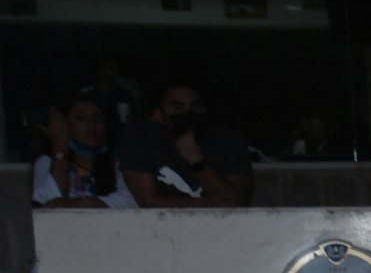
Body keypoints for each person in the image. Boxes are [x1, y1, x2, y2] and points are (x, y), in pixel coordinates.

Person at [117, 83, 253, 208]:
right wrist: (207, 203)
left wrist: (197, 161)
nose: (188, 113)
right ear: (159, 115)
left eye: (195, 107)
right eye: (177, 108)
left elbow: (233, 202)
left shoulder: (227, 140)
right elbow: (148, 201)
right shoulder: (140, 136)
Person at [30, 95, 137, 210]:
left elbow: (132, 200)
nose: (91, 125)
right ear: (64, 125)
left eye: (97, 119)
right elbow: (49, 203)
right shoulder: (47, 161)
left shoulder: (119, 162)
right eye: (81, 118)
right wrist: (60, 148)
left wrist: (78, 203)